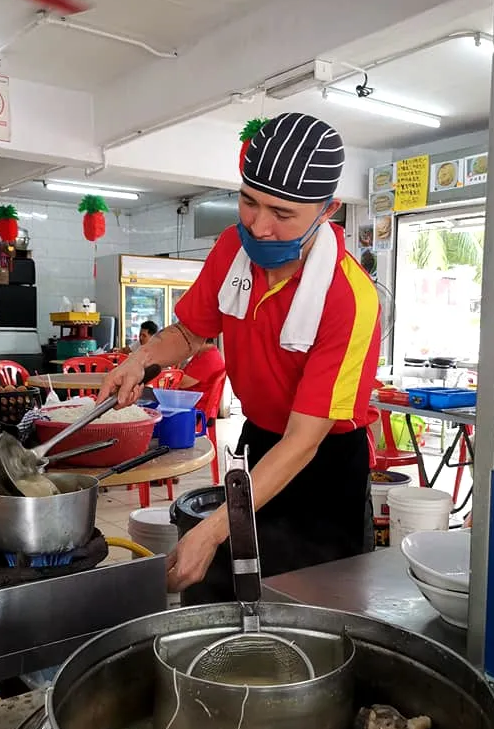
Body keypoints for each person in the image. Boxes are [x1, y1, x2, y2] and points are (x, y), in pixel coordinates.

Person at [99, 112, 381, 602]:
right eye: (249, 201)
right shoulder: (234, 247)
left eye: (282, 213)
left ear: (327, 210)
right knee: (225, 595)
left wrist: (210, 532)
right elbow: (191, 331)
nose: (260, 225)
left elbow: (302, 442)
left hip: (322, 465)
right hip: (258, 442)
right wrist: (139, 358)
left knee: (308, 607)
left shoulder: (349, 298)